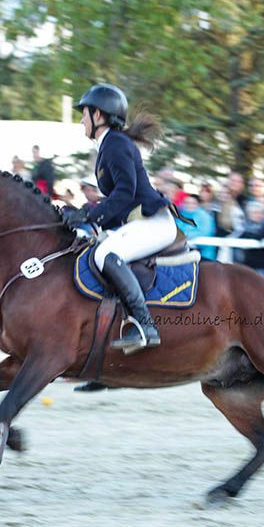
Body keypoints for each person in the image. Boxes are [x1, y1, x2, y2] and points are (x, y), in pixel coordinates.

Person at [63, 83, 180, 352]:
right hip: (138, 221)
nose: (82, 119)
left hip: (153, 222)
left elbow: (126, 193)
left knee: (105, 255)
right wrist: (83, 213)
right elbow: (119, 196)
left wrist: (91, 215)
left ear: (99, 116)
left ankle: (144, 325)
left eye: (85, 113)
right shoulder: (109, 145)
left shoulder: (115, 144)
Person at [177, 194, 216, 259]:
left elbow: (205, 233)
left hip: (202, 253)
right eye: (186, 203)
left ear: (198, 204)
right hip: (182, 251)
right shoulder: (179, 216)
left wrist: (184, 236)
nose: (189, 205)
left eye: (193, 203)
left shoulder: (205, 217)